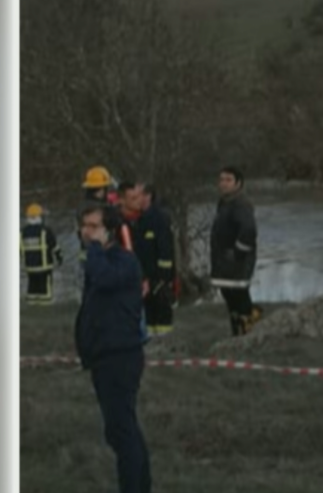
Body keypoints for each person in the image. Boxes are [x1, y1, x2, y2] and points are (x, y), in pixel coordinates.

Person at [74, 204, 151, 493]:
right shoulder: (100, 260)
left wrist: (93, 249)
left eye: (94, 226)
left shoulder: (123, 261)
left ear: (110, 230)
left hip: (121, 358)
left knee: (122, 431)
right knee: (119, 430)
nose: (86, 231)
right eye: (85, 225)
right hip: (103, 357)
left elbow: (106, 279)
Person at [210, 166, 262, 336]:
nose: (223, 184)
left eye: (228, 180)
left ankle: (248, 331)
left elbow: (249, 230)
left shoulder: (241, 204)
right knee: (230, 298)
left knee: (239, 297)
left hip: (237, 262)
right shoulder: (224, 203)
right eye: (221, 179)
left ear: (238, 183)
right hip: (223, 262)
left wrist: (238, 252)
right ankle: (237, 332)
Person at [123, 182, 175, 334]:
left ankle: (165, 342)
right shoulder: (139, 220)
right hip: (144, 277)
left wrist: (163, 279)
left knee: (162, 314)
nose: (136, 200)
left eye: (138, 196)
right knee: (147, 315)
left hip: (158, 279)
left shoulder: (159, 217)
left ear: (148, 196)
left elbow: (166, 250)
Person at [20, 203, 63, 304]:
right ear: (40, 217)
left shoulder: (22, 232)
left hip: (30, 268)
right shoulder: (46, 231)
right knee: (45, 295)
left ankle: (31, 309)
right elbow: (55, 247)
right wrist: (59, 258)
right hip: (45, 267)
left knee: (32, 292)